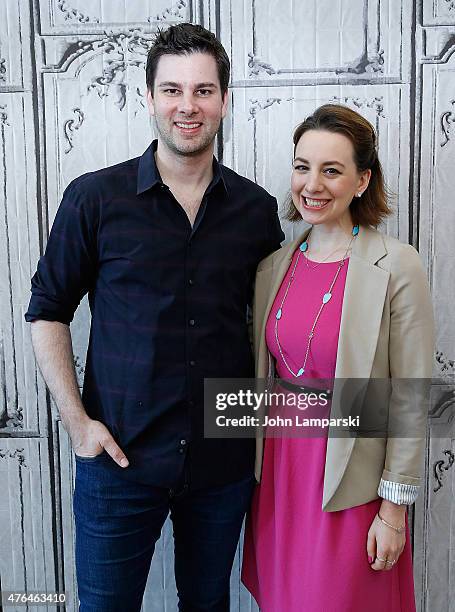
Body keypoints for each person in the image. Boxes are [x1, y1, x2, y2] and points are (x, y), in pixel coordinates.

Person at [25, 23, 284, 612]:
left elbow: (273, 329)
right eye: (172, 90)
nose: (187, 106)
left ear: (224, 98)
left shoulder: (255, 211)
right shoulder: (94, 199)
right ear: (149, 96)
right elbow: (46, 312)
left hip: (223, 462)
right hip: (119, 462)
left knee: (207, 604)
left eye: (202, 90)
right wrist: (77, 425)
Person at [241, 104, 434, 611]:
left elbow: (411, 396)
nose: (312, 184)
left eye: (332, 170)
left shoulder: (396, 263)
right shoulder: (272, 267)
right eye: (303, 166)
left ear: (362, 179)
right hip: (281, 480)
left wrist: (393, 511)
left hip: (352, 485)